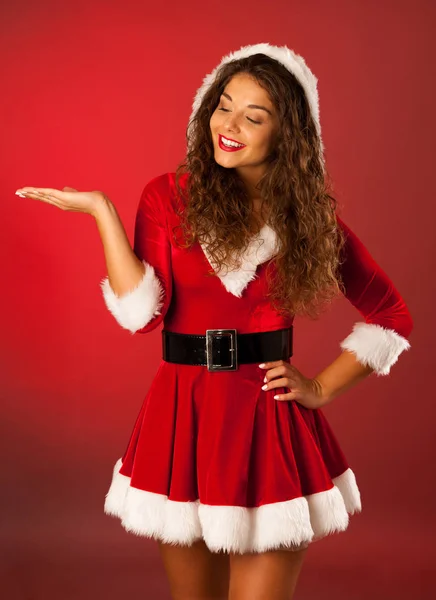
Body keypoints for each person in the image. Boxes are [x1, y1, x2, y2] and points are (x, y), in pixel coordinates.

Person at [15, 43, 413, 600]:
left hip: (267, 425)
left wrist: (320, 386)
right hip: (182, 419)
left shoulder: (310, 219)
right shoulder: (166, 197)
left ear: (287, 135)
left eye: (253, 117)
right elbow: (140, 315)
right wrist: (103, 211)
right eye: (223, 105)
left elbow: (391, 314)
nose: (229, 125)